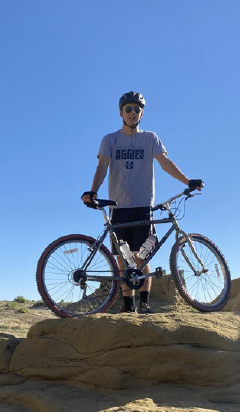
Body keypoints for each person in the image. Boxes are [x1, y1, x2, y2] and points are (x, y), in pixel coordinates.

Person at [81, 91, 203, 314]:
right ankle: (129, 308)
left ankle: (144, 304)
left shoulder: (150, 138)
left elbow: (165, 163)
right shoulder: (109, 139)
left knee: (143, 256)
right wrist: (93, 191)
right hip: (118, 207)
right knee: (123, 261)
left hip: (143, 205)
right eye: (128, 109)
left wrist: (187, 180)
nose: (132, 113)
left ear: (142, 113)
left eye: (137, 109)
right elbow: (102, 167)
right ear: (121, 113)